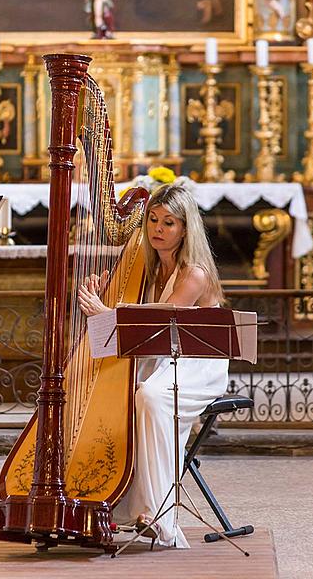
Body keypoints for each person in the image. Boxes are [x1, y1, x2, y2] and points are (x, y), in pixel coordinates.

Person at [78, 183, 229, 548]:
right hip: (162, 357)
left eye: (169, 223)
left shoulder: (194, 273)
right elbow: (139, 318)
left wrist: (109, 313)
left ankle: (159, 515)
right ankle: (109, 497)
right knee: (124, 396)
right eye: (152, 220)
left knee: (151, 397)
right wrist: (102, 291)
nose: (157, 229)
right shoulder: (145, 268)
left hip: (198, 362)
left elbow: (157, 319)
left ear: (185, 229)